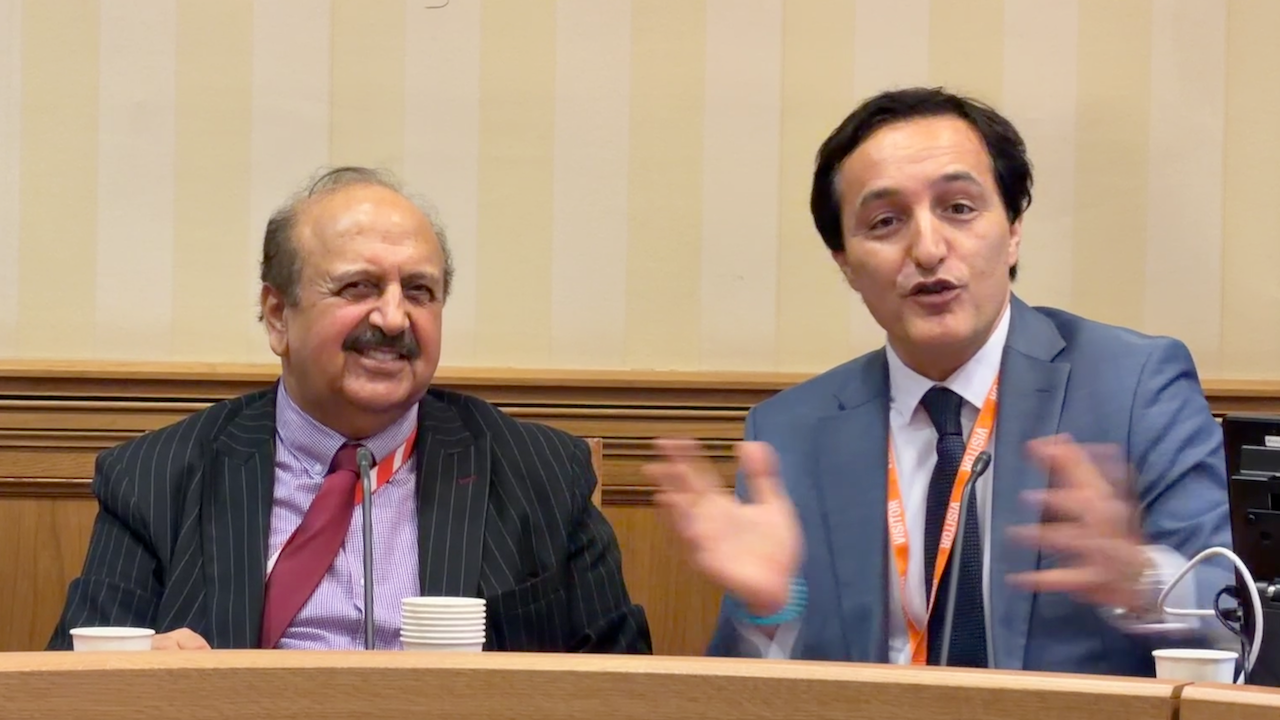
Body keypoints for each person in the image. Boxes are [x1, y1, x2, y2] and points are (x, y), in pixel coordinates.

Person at [645, 87, 1232, 676]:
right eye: (885, 222)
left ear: (1014, 230)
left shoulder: (1133, 387)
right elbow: (741, 691)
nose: (927, 250)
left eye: (959, 208)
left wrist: (1141, 580)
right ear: (845, 263)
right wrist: (772, 609)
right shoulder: (790, 433)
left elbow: (1241, 618)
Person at [49, 166, 651, 653]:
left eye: (419, 291)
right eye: (358, 287)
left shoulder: (541, 473)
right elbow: (71, 688)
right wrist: (136, 673)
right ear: (278, 316)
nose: (393, 318)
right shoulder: (155, 479)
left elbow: (626, 687)